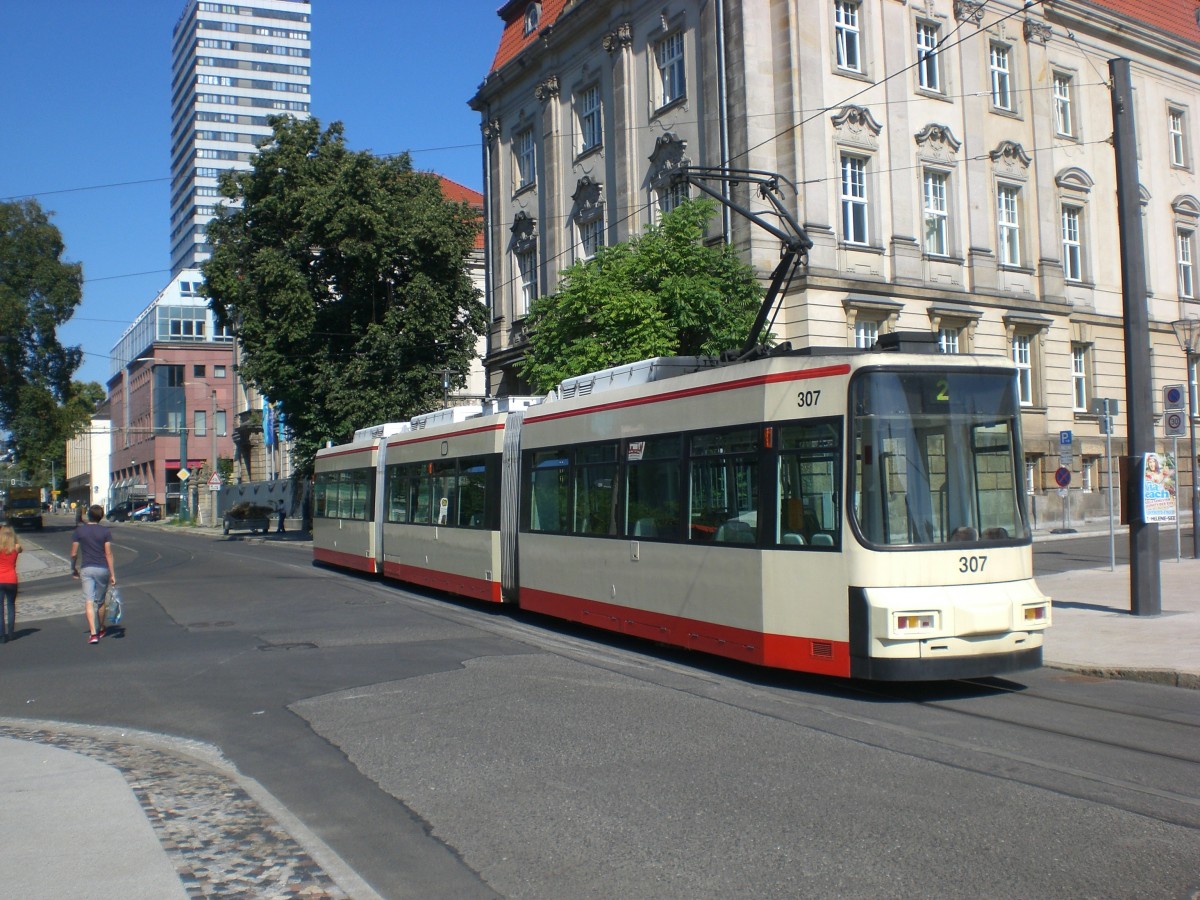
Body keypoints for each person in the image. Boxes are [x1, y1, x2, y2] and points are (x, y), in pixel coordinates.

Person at [71, 504, 116, 645]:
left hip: (87, 569)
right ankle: (101, 628)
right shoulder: (105, 532)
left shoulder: (79, 531)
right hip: (102, 568)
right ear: (101, 517)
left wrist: (73, 568)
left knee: (88, 601)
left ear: (88, 515)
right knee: (101, 601)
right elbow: (108, 553)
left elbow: (73, 553)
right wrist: (112, 574)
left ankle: (93, 634)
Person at [0, 524, 22, 644]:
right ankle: (11, 633)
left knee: (0, 609)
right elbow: (21, 549)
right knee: (11, 605)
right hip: (12, 579)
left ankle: (1, 635)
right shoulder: (16, 547)